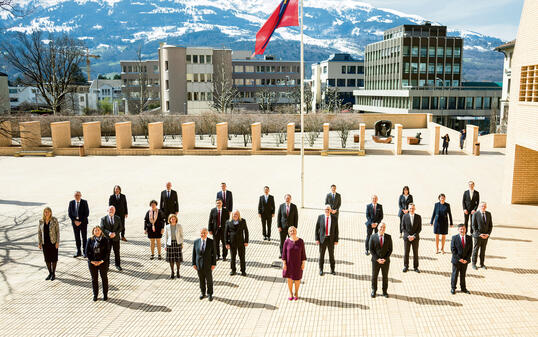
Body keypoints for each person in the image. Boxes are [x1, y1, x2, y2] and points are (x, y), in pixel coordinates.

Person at [282, 226, 306, 301]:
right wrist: (284, 263)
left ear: (296, 231)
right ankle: (290, 293)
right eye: (291, 231)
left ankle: (296, 293)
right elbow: (284, 254)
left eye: (294, 230)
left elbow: (303, 253)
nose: (292, 232)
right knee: (289, 279)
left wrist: (303, 263)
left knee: (297, 279)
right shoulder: (286, 242)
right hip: (289, 264)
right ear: (289, 233)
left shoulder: (301, 241)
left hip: (298, 264)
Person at [86, 226, 110, 301]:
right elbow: (86, 252)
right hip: (92, 262)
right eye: (95, 230)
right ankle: (95, 295)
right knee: (94, 279)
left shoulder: (105, 240)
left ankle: (105, 295)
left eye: (98, 230)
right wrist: (92, 261)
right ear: (93, 232)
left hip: (103, 262)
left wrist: (101, 260)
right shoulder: (90, 240)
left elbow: (107, 252)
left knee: (104, 278)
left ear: (101, 231)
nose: (97, 231)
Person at [192, 227, 216, 301]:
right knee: (201, 279)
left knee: (209, 280)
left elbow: (214, 254)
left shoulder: (211, 242)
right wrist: (194, 263)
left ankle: (210, 294)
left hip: (208, 265)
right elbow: (194, 254)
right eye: (201, 233)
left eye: (204, 233)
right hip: (199, 264)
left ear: (207, 233)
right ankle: (203, 293)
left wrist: (213, 264)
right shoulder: (196, 242)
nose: (203, 234)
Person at [369, 223, 392, 298]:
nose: (382, 228)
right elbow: (371, 249)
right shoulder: (372, 237)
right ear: (378, 228)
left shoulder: (388, 237)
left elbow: (390, 249)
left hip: (385, 261)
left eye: (384, 227)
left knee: (385, 277)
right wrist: (377, 259)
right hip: (376, 261)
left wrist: (385, 259)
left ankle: (385, 291)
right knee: (374, 276)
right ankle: (374, 290)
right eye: (381, 227)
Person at [315, 205, 339, 276]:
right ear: (324, 210)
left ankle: (332, 270)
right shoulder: (320, 217)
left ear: (330, 210)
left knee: (331, 255)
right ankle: (321, 269)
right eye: (326, 209)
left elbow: (336, 230)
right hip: (322, 239)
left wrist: (336, 240)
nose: (327, 211)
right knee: (321, 255)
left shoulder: (334, 218)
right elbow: (317, 229)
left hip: (331, 240)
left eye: (328, 209)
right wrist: (317, 239)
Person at [38, 207, 60, 281]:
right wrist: (40, 243)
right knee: (47, 259)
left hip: (53, 242)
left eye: (48, 212)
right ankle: (50, 273)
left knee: (53, 258)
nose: (46, 213)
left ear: (50, 212)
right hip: (45, 243)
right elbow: (39, 233)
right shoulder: (41, 221)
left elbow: (57, 232)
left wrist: (57, 242)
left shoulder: (54, 220)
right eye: (45, 212)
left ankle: (53, 273)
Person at [225, 210, 249, 276]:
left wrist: (246, 241)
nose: (235, 216)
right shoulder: (228, 222)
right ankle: (233, 270)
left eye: (237, 214)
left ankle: (243, 270)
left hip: (241, 242)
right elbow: (225, 233)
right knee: (233, 257)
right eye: (234, 214)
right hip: (232, 243)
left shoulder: (243, 221)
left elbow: (246, 231)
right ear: (232, 215)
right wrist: (226, 243)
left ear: (239, 215)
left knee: (242, 257)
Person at [450, 224, 472, 295]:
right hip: (456, 261)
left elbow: (470, 250)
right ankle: (453, 288)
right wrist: (459, 259)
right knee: (455, 274)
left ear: (466, 229)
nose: (462, 230)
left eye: (464, 229)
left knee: (463, 275)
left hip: (465, 261)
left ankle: (463, 288)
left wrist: (467, 259)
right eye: (461, 229)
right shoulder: (454, 238)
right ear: (458, 230)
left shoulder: (469, 238)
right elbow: (453, 250)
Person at [100, 206, 122, 271]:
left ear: (115, 211)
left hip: (116, 238)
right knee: (107, 253)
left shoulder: (118, 218)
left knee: (117, 252)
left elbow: (120, 227)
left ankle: (117, 265)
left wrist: (115, 233)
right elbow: (102, 228)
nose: (111, 211)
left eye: (112, 210)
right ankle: (107, 266)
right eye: (110, 210)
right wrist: (109, 233)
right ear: (107, 211)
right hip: (107, 239)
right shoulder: (103, 219)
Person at [471, 202, 493, 270]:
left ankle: (482, 264)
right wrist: (479, 234)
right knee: (476, 250)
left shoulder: (488, 214)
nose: (483, 207)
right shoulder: (475, 214)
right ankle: (474, 264)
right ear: (479, 207)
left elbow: (490, 226)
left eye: (484, 206)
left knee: (483, 251)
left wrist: (488, 234)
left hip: (485, 236)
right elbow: (473, 226)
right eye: (482, 206)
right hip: (478, 236)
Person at [68, 191, 89, 258]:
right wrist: (75, 221)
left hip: (83, 223)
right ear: (74, 196)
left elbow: (87, 213)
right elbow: (70, 213)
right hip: (75, 223)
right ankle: (78, 251)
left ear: (81, 196)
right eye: (76, 195)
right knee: (77, 237)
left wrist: (80, 221)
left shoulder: (84, 202)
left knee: (84, 237)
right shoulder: (71, 203)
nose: (77, 196)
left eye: (78, 195)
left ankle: (85, 251)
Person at [402, 203, 422, 273]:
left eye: (413, 208)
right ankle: (406, 266)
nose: (411, 209)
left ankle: (416, 267)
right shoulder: (404, 216)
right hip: (407, 238)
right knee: (406, 253)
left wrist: (414, 236)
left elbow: (419, 229)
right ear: (408, 209)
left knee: (415, 253)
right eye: (410, 208)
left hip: (415, 238)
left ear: (415, 209)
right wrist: (408, 236)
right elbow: (403, 228)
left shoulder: (418, 217)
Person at [277, 194, 298, 258]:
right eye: (286, 198)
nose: (287, 199)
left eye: (288, 198)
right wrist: (279, 226)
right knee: (282, 241)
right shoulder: (281, 206)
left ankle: (291, 253)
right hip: (283, 228)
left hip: (291, 229)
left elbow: (296, 217)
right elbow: (279, 217)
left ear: (290, 199)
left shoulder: (294, 207)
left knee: (291, 241)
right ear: (285, 199)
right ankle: (282, 254)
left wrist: (295, 227)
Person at [165, 214, 184, 279]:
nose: (173, 220)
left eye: (174, 219)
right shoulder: (167, 227)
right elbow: (166, 237)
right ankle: (172, 272)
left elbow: (182, 235)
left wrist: (181, 243)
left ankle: (178, 271)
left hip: (177, 243)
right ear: (169, 220)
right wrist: (165, 245)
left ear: (176, 219)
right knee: (171, 259)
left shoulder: (179, 226)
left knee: (177, 259)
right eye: (171, 219)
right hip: (170, 244)